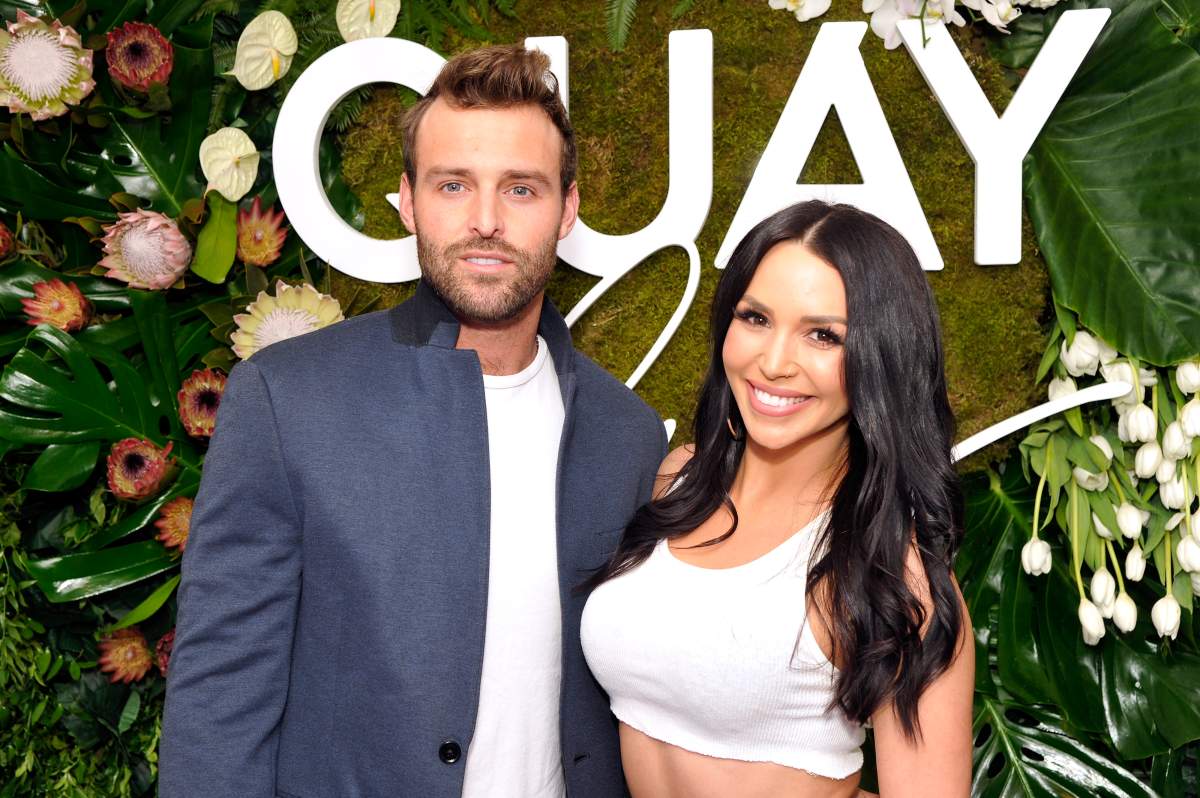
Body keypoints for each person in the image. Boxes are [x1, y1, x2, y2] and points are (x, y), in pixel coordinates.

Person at [160, 44, 666, 798]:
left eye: (521, 189)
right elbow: (220, 700)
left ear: (567, 209)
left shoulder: (626, 434)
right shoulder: (289, 400)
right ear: (408, 201)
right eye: (453, 184)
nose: (486, 221)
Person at [580, 200, 974, 798]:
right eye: (756, 318)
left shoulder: (892, 572)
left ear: (881, 356)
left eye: (823, 335)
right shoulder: (680, 478)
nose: (773, 362)